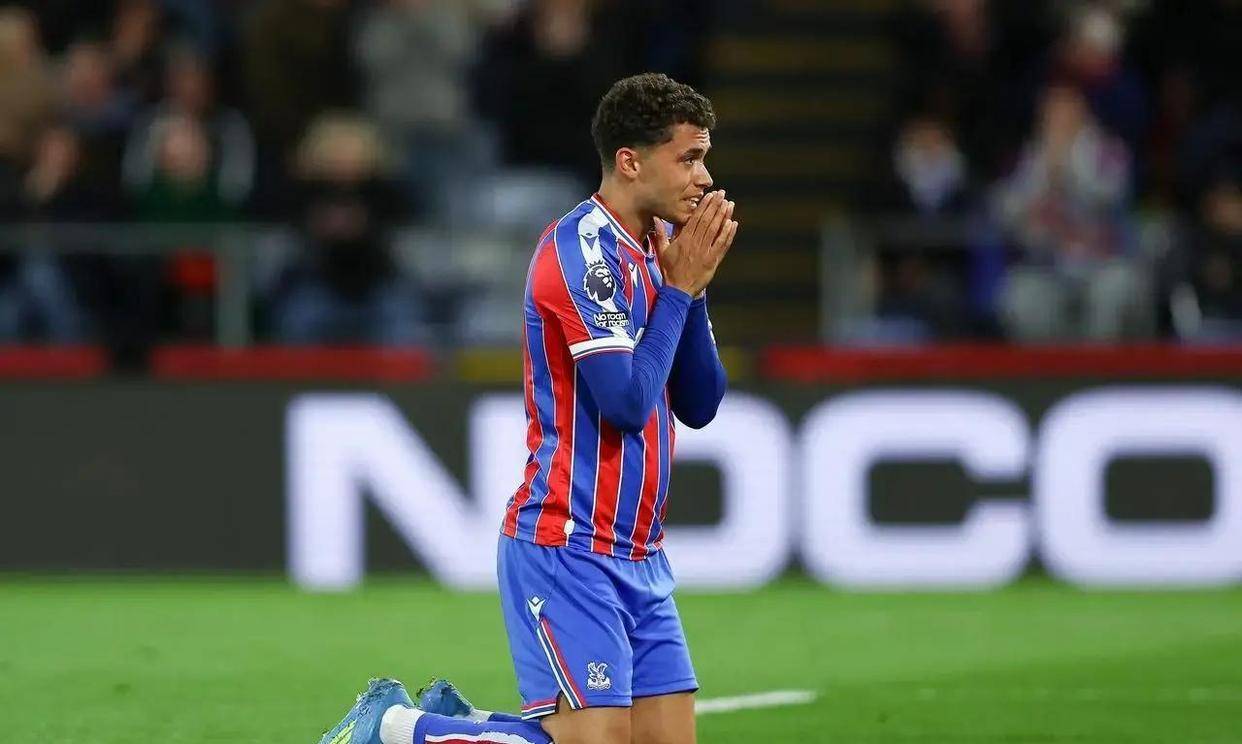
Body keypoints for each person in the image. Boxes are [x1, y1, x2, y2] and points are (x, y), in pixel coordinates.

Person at [317, 72, 736, 744]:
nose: (704, 177)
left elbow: (700, 402)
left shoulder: (661, 249)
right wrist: (680, 291)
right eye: (688, 158)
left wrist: (693, 286)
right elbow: (627, 404)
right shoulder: (580, 253)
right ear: (631, 161)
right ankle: (396, 726)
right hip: (569, 544)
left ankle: (463, 724)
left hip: (640, 552)